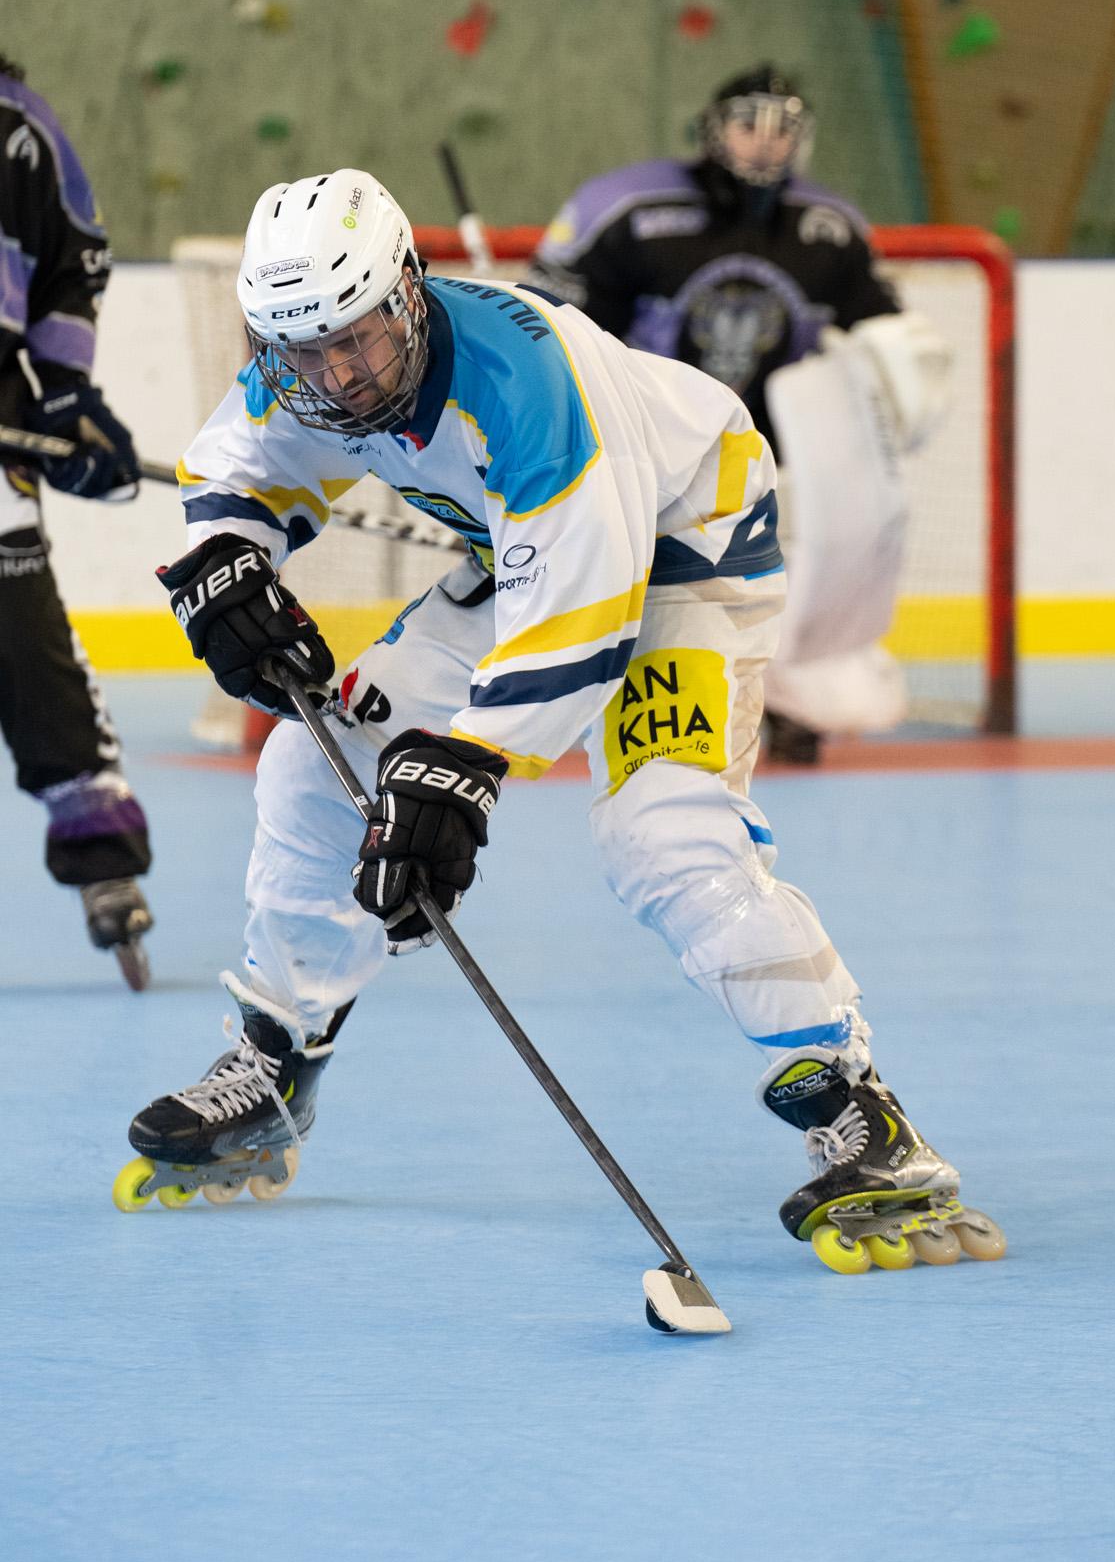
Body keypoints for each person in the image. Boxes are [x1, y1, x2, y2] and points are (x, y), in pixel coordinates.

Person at [116, 168, 1002, 1272]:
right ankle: (277, 1063)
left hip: (688, 545)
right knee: (316, 759)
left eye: (358, 339)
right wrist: (224, 562)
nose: (338, 377)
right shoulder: (306, 362)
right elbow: (240, 466)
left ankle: (859, 1110)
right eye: (306, 351)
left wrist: (460, 774)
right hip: (534, 552)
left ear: (409, 292)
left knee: (663, 831)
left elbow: (581, 626)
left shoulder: (527, 379)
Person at [529, 65, 939, 763]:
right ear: (714, 127)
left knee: (773, 579)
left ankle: (782, 701)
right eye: (750, 123)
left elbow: (881, 329)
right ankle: (571, 691)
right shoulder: (629, 211)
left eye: (784, 128)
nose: (764, 143)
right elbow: (553, 320)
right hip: (646, 445)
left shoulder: (828, 229)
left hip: (764, 455)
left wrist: (908, 376)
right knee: (618, 571)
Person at [0, 52, 152, 990]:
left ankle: (105, 866)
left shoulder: (21, 129)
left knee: (28, 652)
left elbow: (72, 262)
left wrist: (61, 397)